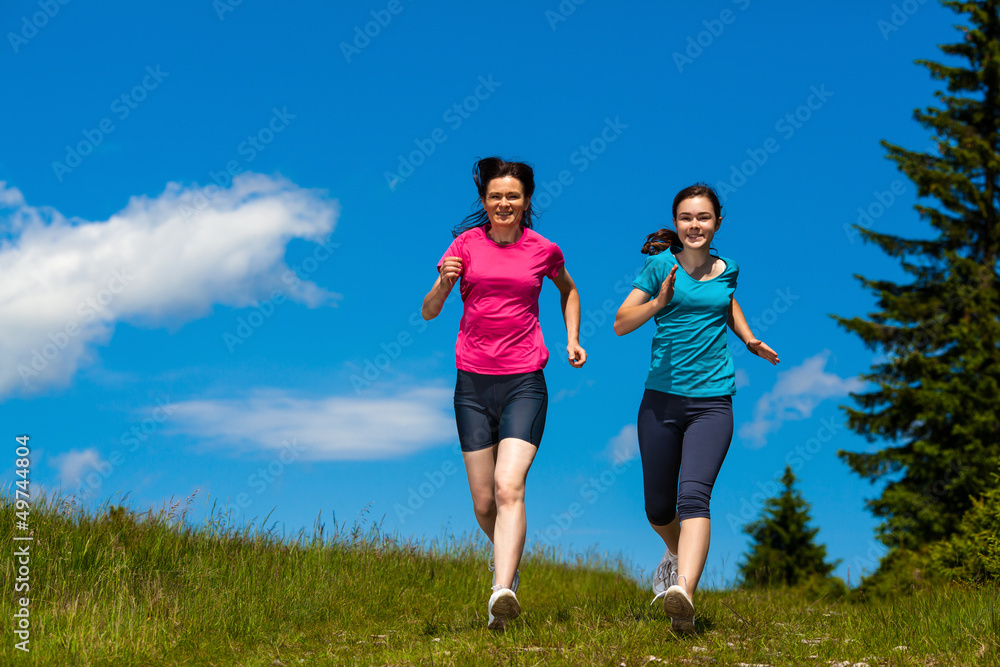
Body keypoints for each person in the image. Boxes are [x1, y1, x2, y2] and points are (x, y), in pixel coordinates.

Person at [422, 157, 587, 630]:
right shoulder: (464, 246)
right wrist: (444, 281)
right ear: (484, 201)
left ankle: (501, 589)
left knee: (508, 486)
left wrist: (572, 338)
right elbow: (430, 311)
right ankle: (507, 570)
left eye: (513, 196)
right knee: (483, 503)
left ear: (527, 201)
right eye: (496, 196)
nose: (504, 203)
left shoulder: (543, 250)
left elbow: (569, 291)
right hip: (472, 383)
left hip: (523, 381)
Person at [614, 184, 779, 635]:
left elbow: (725, 301)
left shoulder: (729, 269)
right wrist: (658, 304)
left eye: (703, 217)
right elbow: (620, 324)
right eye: (686, 217)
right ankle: (673, 557)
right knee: (657, 507)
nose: (694, 225)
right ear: (677, 222)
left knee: (694, 497)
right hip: (660, 401)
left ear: (717, 222)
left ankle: (683, 592)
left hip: (712, 402)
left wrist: (747, 337)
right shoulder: (659, 267)